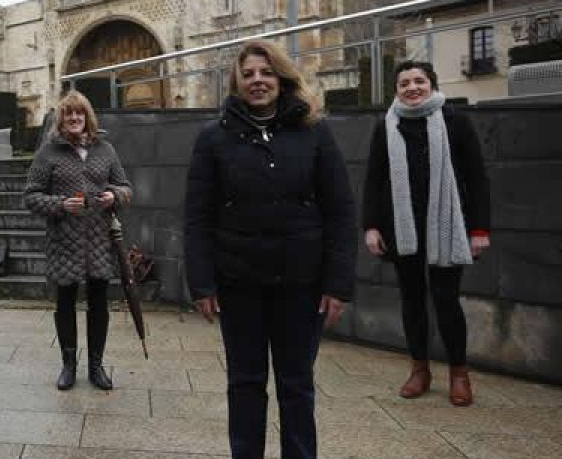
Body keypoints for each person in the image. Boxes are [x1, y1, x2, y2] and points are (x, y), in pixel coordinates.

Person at [184, 40, 356, 459]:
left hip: (301, 284)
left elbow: (340, 210)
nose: (258, 81)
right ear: (237, 83)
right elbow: (197, 216)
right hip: (239, 284)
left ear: (280, 77)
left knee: (296, 385)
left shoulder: (314, 131)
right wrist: (202, 284)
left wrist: (338, 284)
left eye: (265, 72)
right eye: (248, 75)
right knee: (245, 383)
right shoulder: (213, 138)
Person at [362, 60, 490, 406]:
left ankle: (458, 373)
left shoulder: (455, 121)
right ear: (396, 91)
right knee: (412, 299)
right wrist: (371, 226)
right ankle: (419, 370)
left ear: (431, 85)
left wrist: (479, 229)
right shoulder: (387, 126)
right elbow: (374, 179)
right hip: (401, 228)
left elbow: (476, 178)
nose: (412, 88)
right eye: (404, 83)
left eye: (419, 81)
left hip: (448, 226)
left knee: (446, 299)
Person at [24, 91, 132, 391]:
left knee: (99, 303)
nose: (74, 119)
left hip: (99, 239)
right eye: (68, 114)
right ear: (61, 119)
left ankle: (96, 367)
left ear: (87, 118)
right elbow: (30, 196)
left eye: (79, 114)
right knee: (65, 303)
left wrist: (115, 195)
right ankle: (68, 365)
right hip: (64, 241)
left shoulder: (105, 149)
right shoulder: (48, 152)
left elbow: (125, 186)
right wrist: (61, 205)